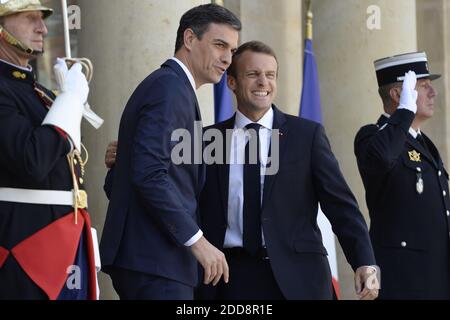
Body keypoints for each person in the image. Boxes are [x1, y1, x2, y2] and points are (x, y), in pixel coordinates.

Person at [100, 4, 241, 300]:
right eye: (219, 45)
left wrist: (123, 163)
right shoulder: (170, 89)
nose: (227, 58)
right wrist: (197, 241)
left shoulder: (174, 89)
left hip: (155, 262)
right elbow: (150, 175)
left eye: (232, 49)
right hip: (156, 262)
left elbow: (129, 179)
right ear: (189, 39)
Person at [0, 0, 97, 299]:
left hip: (66, 236)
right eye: (30, 18)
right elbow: (34, 161)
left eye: (41, 19)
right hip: (24, 245)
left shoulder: (37, 91)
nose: (42, 27)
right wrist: (68, 100)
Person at [354, 52, 450, 299]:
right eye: (423, 86)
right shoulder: (372, 136)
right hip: (402, 280)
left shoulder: (424, 143)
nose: (433, 93)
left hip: (435, 277)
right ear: (398, 95)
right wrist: (404, 112)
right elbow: (382, 158)